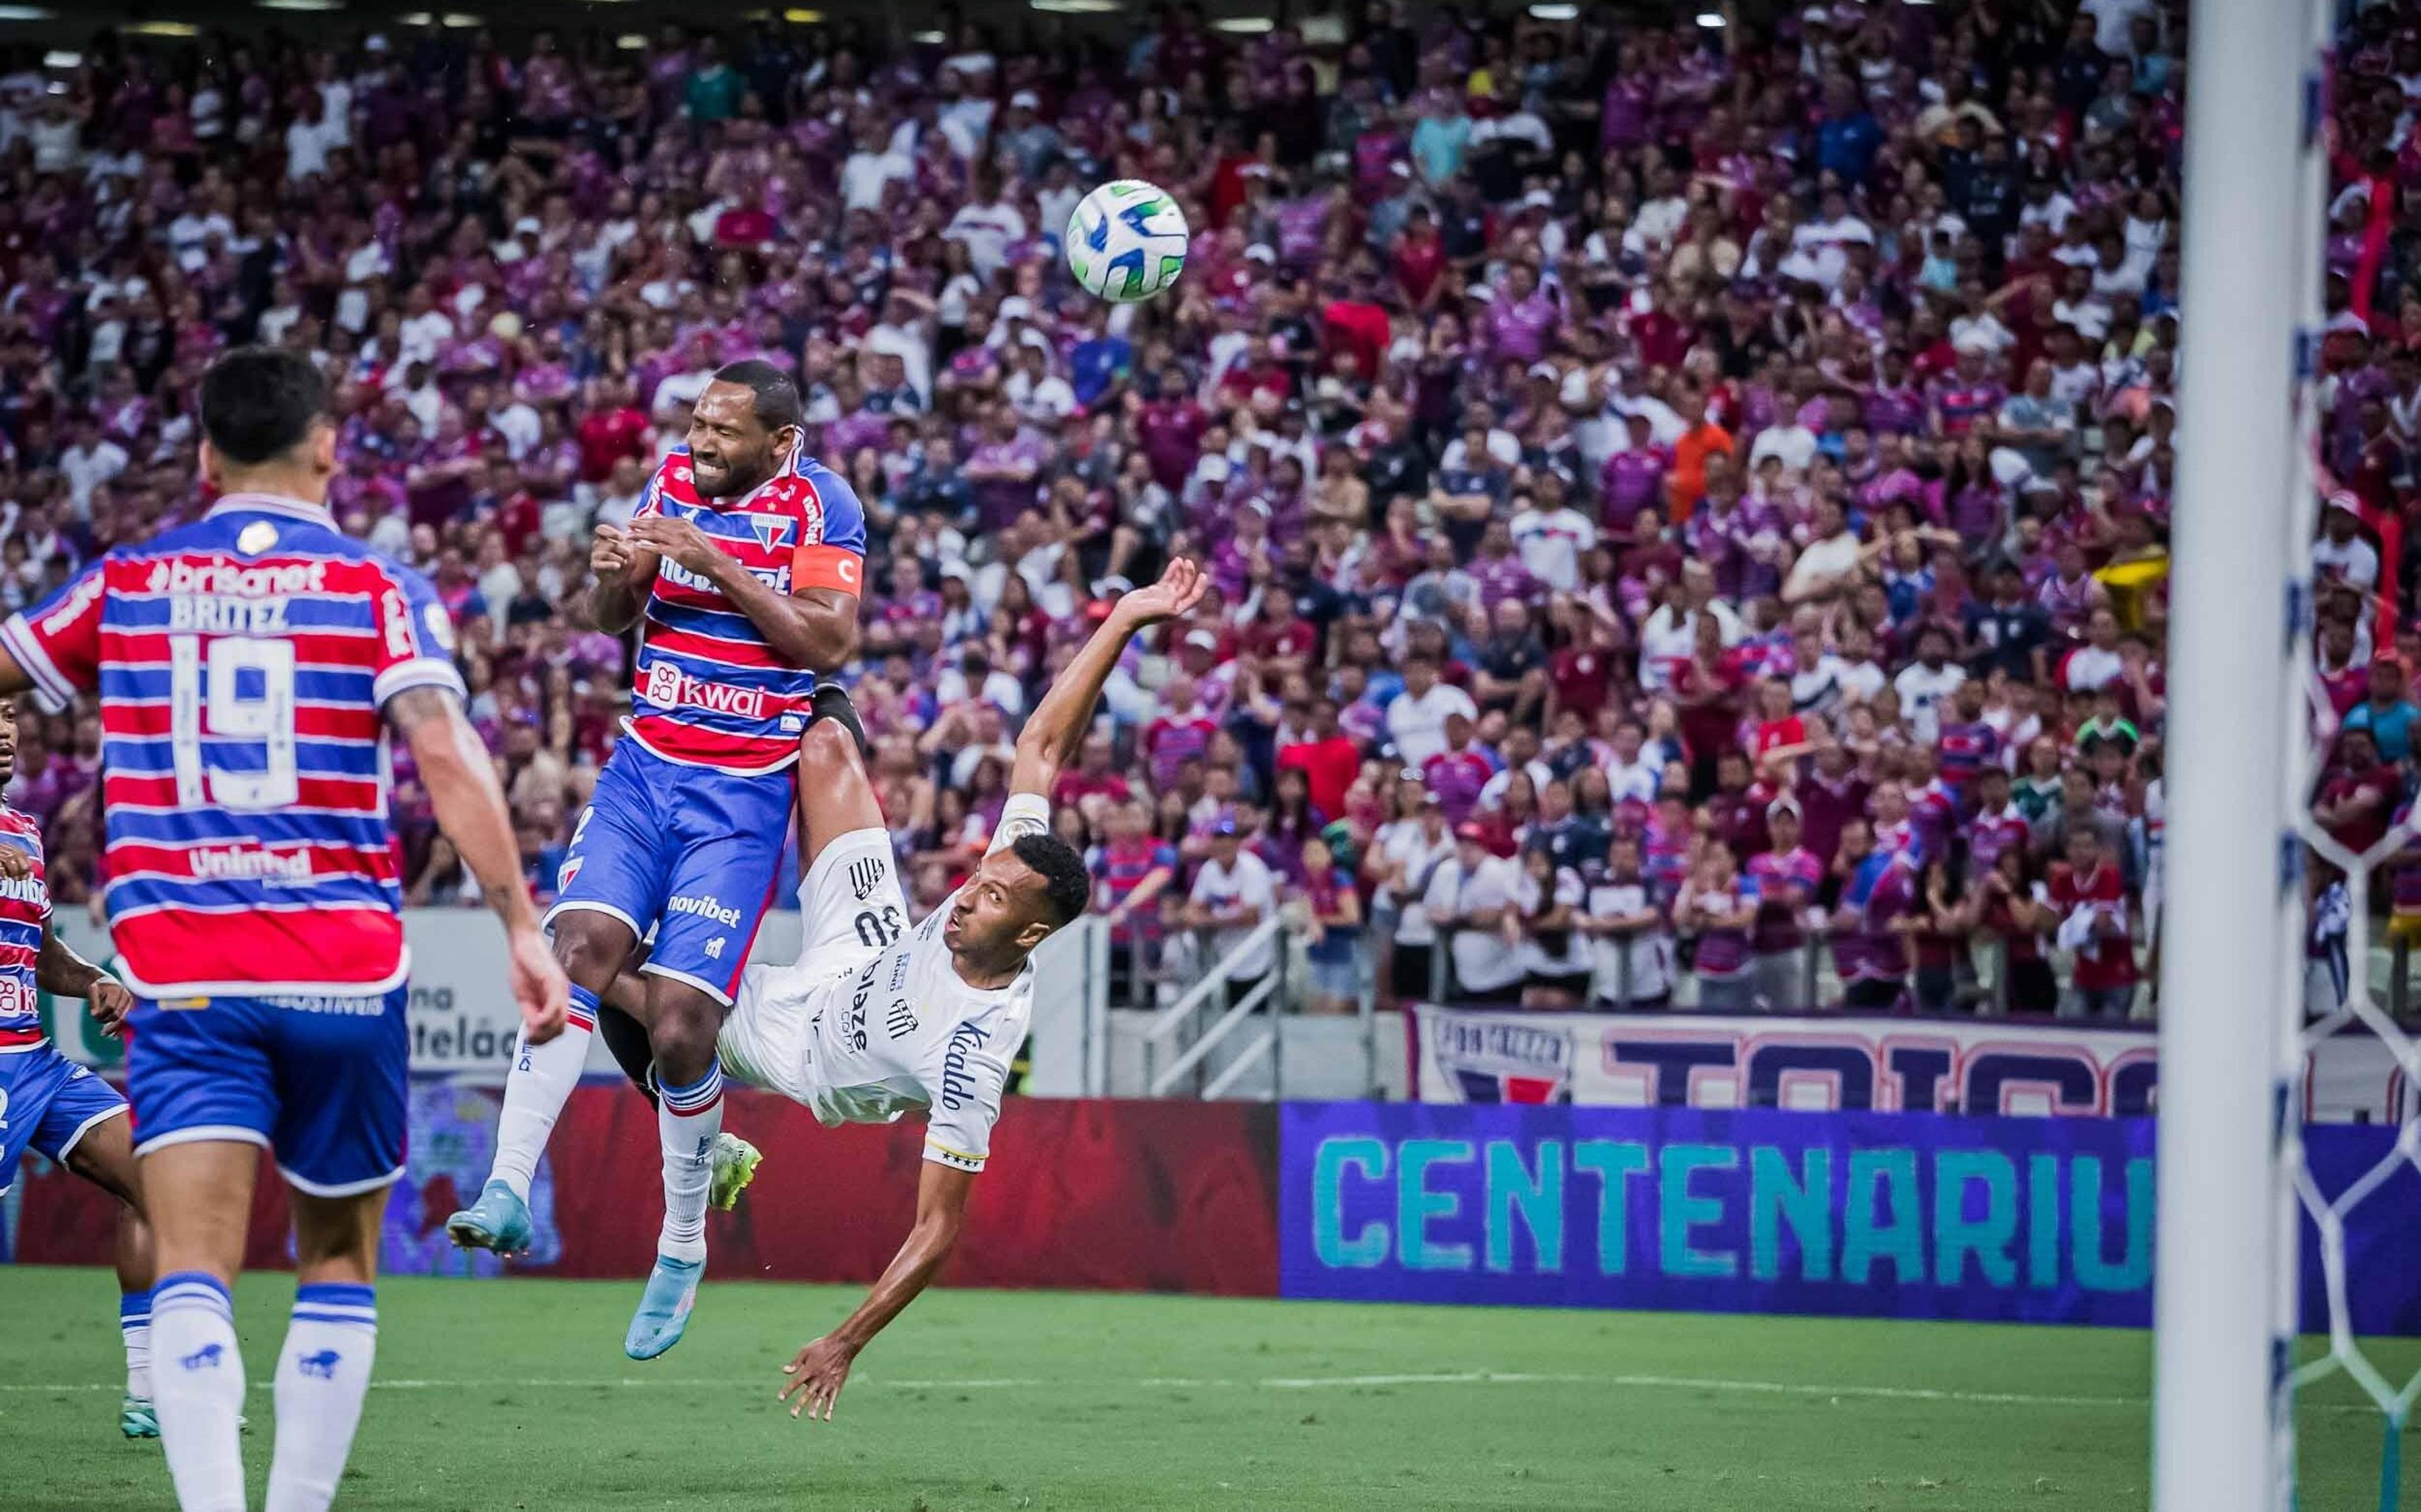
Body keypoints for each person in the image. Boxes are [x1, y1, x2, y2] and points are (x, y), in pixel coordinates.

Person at [0, 348, 566, 1512]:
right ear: (327, 446)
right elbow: (446, 752)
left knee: (195, 1264)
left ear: (204, 456)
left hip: (188, 968)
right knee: (337, 1261)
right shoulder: (379, 586)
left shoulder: (127, 582)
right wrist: (519, 921)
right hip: (346, 969)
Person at [595, 559, 1207, 1423]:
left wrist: (848, 1338)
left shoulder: (972, 1051)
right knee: (823, 729)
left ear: (1029, 933)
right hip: (869, 938)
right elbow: (1041, 745)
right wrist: (1127, 616)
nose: (968, 892)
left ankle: (691, 1131)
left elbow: (937, 1231)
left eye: (991, 897)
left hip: (806, 1045)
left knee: (629, 980)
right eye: (979, 877)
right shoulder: (1008, 881)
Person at [449, 361, 866, 1363]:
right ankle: (508, 1185)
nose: (700, 440)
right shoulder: (668, 484)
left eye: (724, 429)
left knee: (684, 1027)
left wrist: (717, 561)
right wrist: (613, 577)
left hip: (740, 797)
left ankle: (682, 1243)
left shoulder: (822, 505)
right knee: (577, 948)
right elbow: (611, 623)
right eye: (696, 422)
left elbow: (828, 641)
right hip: (645, 772)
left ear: (779, 443)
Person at [0, 698, 154, 1438]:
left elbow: (44, 952)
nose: (5, 740)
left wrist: (94, 977)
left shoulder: (24, 829)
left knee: (153, 1180)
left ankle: (149, 1390)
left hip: (34, 1059)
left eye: (11, 730)